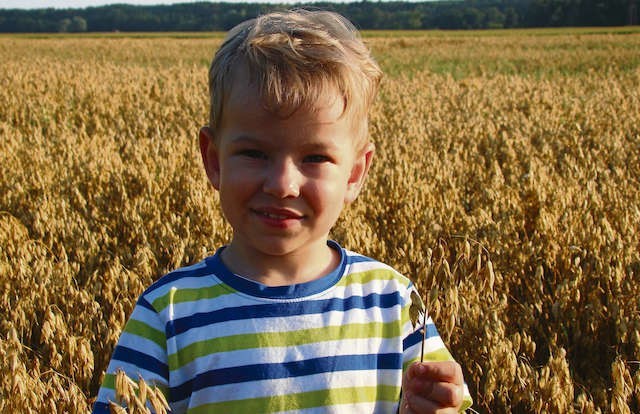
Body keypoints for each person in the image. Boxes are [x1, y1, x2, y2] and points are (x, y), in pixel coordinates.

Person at [93, 9, 473, 413]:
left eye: (314, 158)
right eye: (255, 153)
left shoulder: (392, 302)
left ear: (355, 173)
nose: (282, 184)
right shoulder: (168, 314)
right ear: (214, 159)